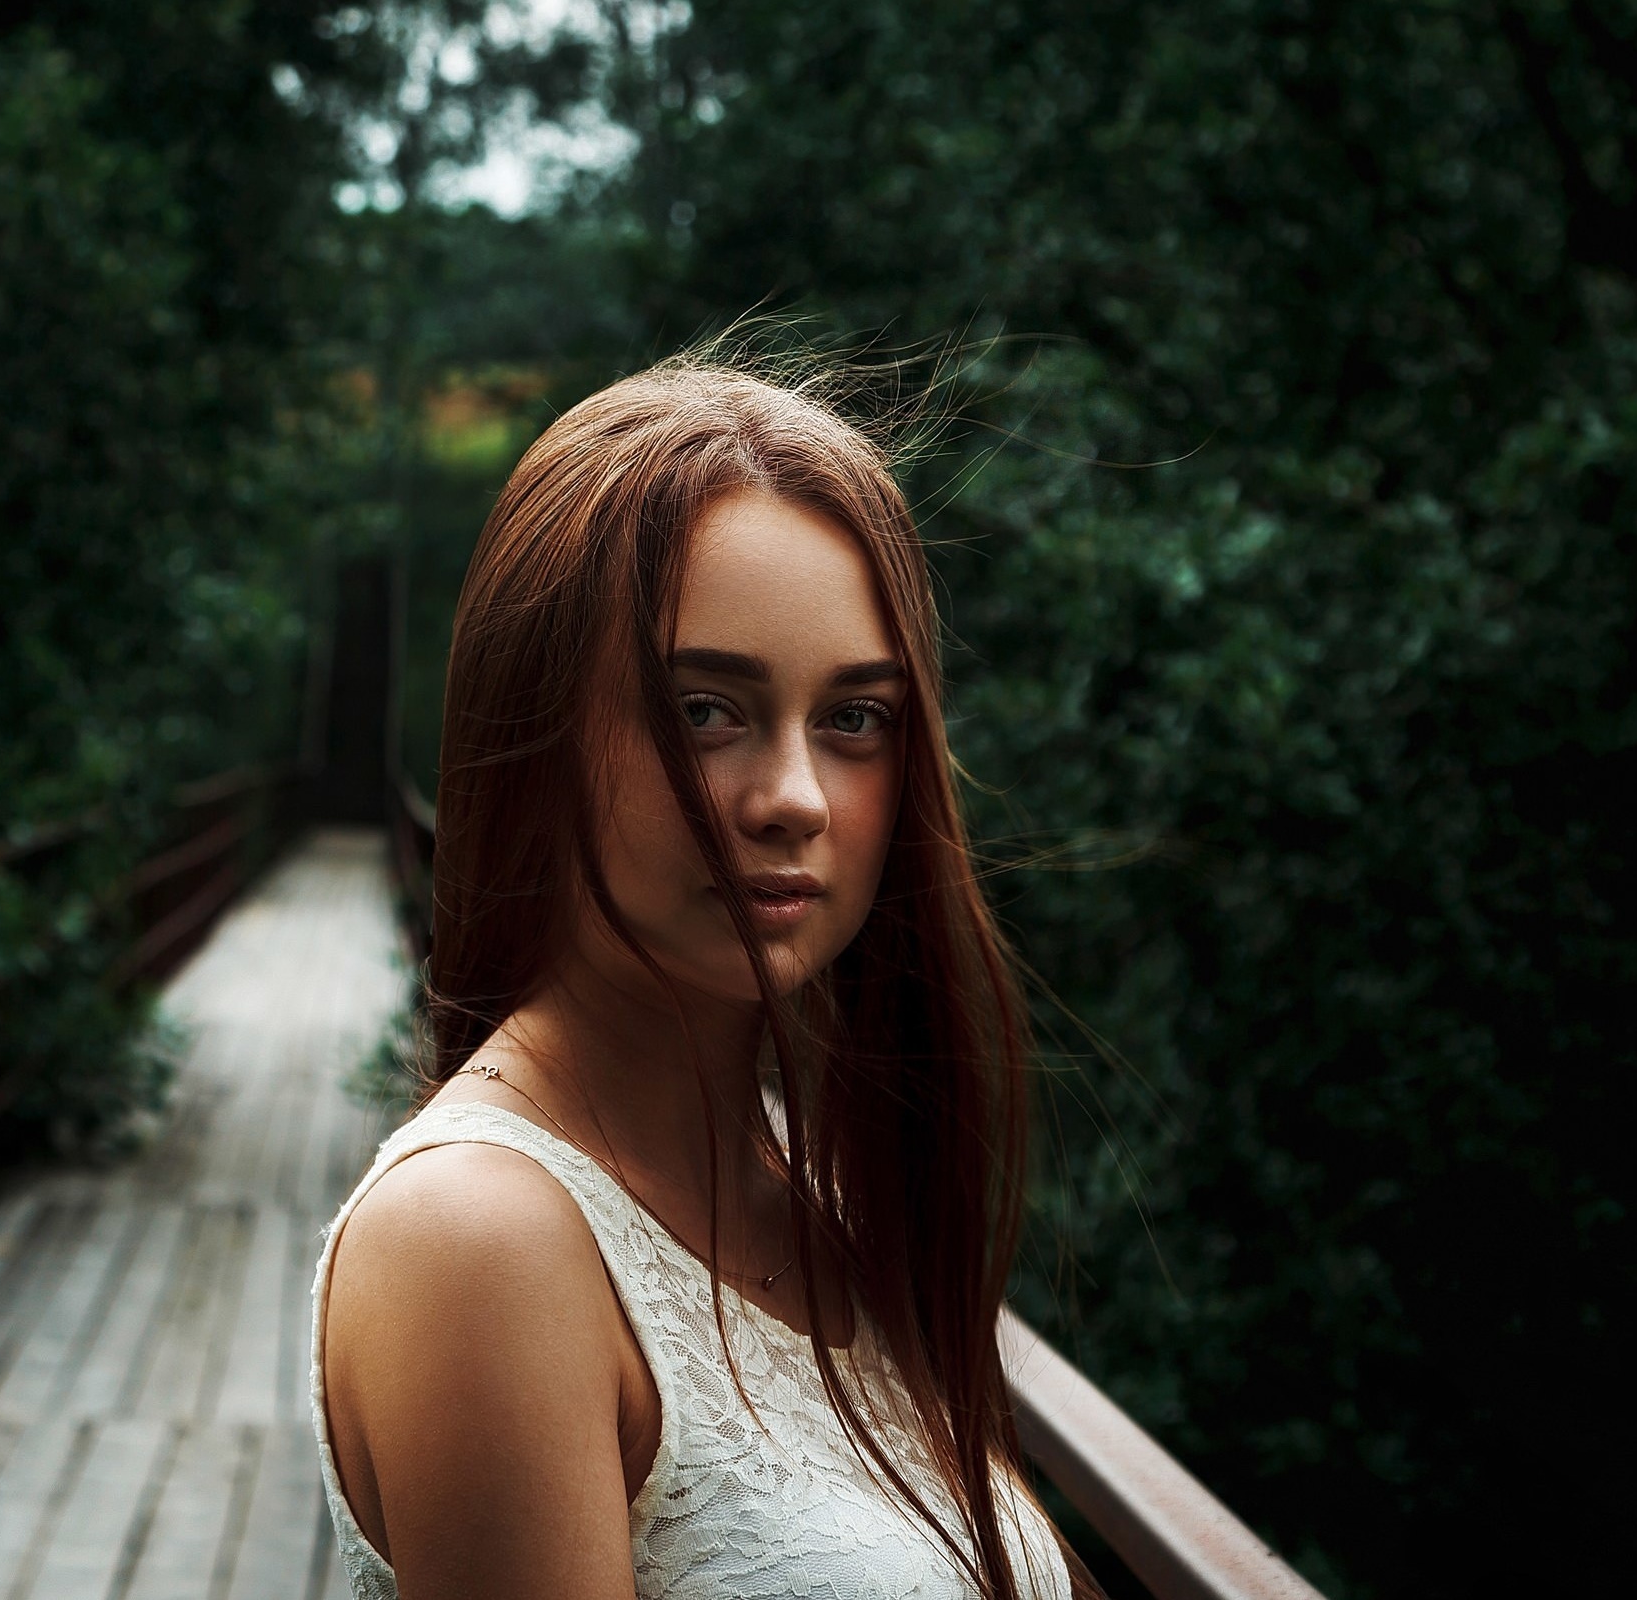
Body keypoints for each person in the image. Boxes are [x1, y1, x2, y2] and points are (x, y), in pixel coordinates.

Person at [309, 355, 1090, 1600]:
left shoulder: (821, 1192)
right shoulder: (480, 1241)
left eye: (854, 720)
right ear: (537, 730)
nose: (790, 798)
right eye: (704, 711)